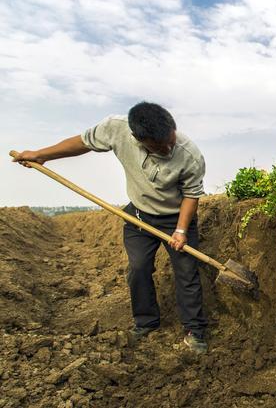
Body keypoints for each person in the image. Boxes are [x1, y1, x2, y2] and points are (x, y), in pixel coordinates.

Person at [12, 102, 208, 354]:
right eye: (160, 146)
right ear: (139, 140)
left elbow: (192, 195)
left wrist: (180, 230)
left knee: (187, 273)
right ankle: (146, 322)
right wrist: (42, 155)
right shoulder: (115, 129)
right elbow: (82, 142)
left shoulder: (189, 154)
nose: (169, 147)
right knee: (138, 269)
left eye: (171, 140)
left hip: (176, 217)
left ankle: (195, 331)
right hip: (139, 216)